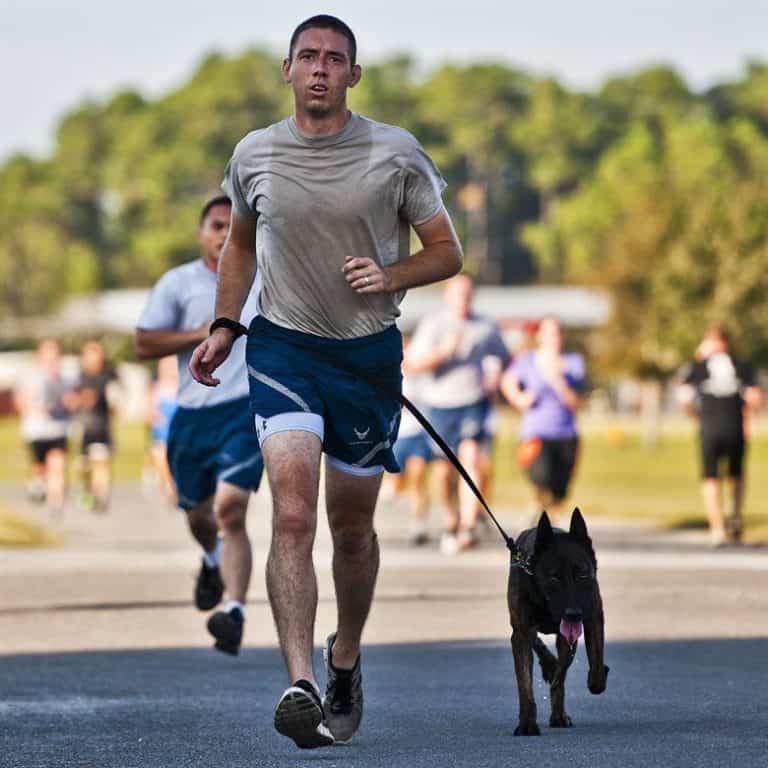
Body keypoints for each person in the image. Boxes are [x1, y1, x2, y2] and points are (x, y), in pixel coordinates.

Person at [189, 14, 462, 749]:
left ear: (353, 75)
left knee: (352, 530)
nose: (319, 68)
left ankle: (345, 656)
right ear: (287, 69)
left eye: (334, 59)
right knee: (291, 515)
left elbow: (448, 251)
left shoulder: (395, 153)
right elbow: (239, 247)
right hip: (284, 351)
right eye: (307, 56)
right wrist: (225, 325)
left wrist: (392, 275)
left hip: (365, 360)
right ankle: (301, 682)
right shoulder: (255, 154)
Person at [135, 195, 264, 656]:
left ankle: (235, 611)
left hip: (245, 408)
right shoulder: (178, 283)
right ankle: (211, 560)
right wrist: (206, 331)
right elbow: (143, 343)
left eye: (234, 226)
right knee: (197, 514)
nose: (224, 234)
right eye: (216, 225)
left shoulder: (265, 278)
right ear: (201, 233)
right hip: (192, 413)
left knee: (231, 510)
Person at [405, 273, 509, 554]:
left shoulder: (485, 326)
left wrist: (495, 377)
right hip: (440, 404)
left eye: (468, 293)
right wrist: (443, 352)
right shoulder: (433, 324)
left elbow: (504, 357)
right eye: (459, 293)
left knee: (471, 457)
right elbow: (412, 366)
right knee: (444, 471)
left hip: (473, 401)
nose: (464, 298)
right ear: (447, 296)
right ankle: (451, 516)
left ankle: (467, 525)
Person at [676, 325, 762, 546]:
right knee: (720, 477)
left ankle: (726, 524)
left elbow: (683, 396)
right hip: (724, 428)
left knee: (723, 477)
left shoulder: (701, 367)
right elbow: (755, 398)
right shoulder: (737, 366)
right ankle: (724, 523)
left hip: (721, 428)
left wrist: (695, 416)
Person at [500, 315, 585, 524]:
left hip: (566, 432)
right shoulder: (527, 360)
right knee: (541, 474)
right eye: (549, 333)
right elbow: (507, 382)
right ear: (539, 336)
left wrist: (558, 381)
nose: (554, 338)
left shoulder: (573, 362)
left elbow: (576, 402)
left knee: (560, 487)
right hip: (536, 431)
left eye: (557, 333)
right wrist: (519, 398)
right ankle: (537, 505)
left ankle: (550, 522)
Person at [15, 339, 78, 516]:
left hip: (59, 428)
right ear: (40, 356)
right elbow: (21, 401)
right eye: (48, 355)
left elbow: (73, 402)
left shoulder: (65, 379)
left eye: (55, 355)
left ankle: (55, 503)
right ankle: (38, 482)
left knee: (58, 464)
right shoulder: (30, 377)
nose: (52, 359)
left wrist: (69, 402)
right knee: (40, 467)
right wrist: (35, 409)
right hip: (37, 430)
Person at [389, 346, 433, 546]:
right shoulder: (391, 373)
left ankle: (418, 524)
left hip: (419, 433)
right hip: (398, 434)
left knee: (418, 478)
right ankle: (392, 491)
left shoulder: (423, 374)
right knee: (397, 481)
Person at [76, 340, 118, 513]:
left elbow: (114, 403)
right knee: (84, 467)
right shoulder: (79, 377)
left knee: (101, 463)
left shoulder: (107, 377)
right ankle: (89, 490)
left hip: (101, 427)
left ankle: (102, 496)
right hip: (84, 429)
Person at [144, 354, 179, 508]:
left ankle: (174, 486)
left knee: (175, 459)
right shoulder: (155, 387)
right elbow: (149, 410)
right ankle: (169, 488)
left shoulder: (181, 386)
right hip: (161, 429)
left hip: (176, 429)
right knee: (161, 459)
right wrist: (153, 416)